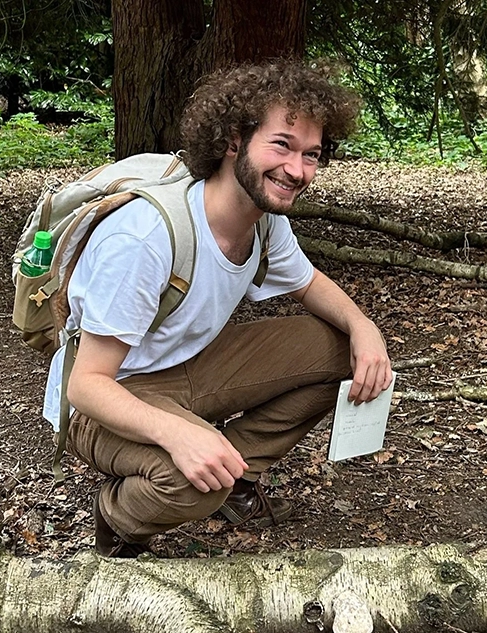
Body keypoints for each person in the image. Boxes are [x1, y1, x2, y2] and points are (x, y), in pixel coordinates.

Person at [55, 60, 392, 558]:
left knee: (343, 349)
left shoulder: (264, 220)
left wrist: (366, 328)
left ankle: (237, 472)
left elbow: (310, 284)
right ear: (235, 139)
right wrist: (178, 435)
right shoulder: (146, 237)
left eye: (311, 154)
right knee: (195, 483)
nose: (297, 170)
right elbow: (87, 386)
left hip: (190, 367)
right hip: (109, 395)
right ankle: (118, 516)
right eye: (281, 144)